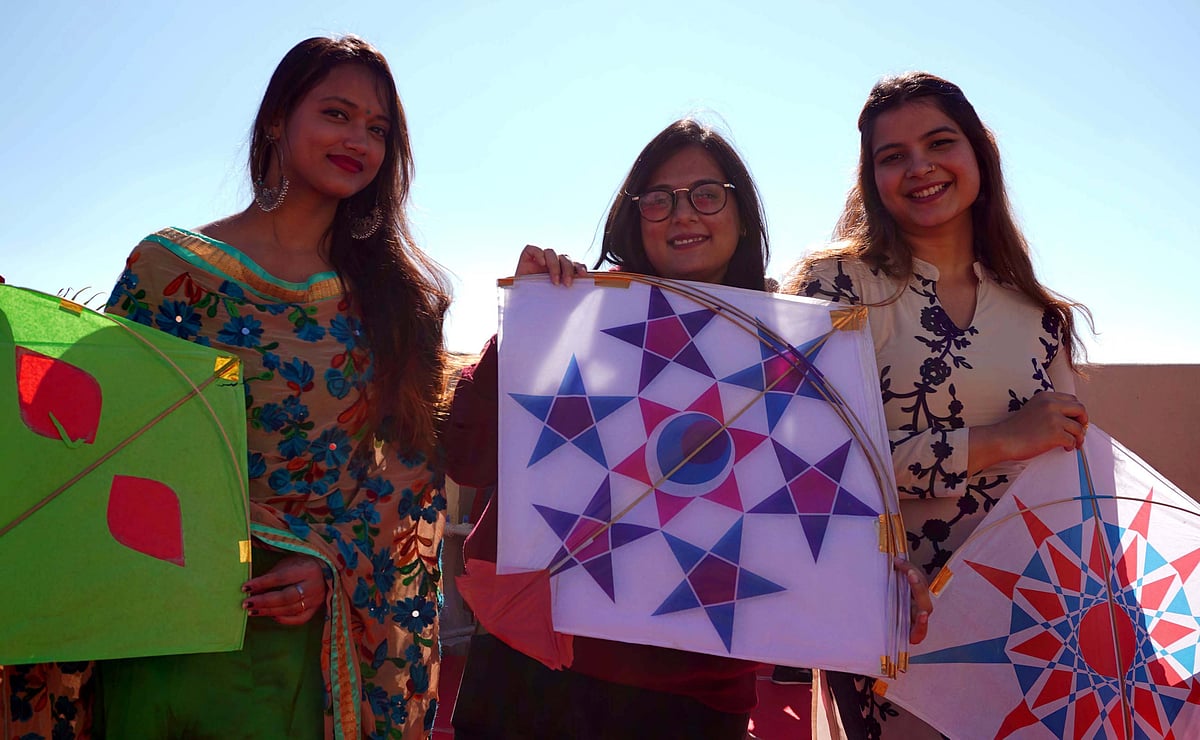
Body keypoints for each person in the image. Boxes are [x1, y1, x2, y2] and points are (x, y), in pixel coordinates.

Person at [444, 119, 932, 739]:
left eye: (707, 193)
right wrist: (526, 325)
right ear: (634, 216)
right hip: (536, 669)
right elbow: (465, 458)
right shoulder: (577, 315)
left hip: (693, 696)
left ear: (741, 211)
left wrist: (878, 582)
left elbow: (833, 499)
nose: (683, 215)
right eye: (659, 199)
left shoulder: (799, 350)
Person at [94, 35, 450, 739]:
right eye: (337, 114)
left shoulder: (393, 302)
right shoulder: (169, 271)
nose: (358, 140)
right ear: (276, 120)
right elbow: (107, 433)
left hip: (302, 641)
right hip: (162, 616)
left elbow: (406, 472)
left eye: (377, 130)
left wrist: (330, 567)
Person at [782, 72, 1090, 739]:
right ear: (872, 177)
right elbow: (808, 467)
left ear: (978, 152)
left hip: (1023, 622)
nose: (919, 167)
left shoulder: (1042, 317)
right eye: (892, 156)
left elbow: (1062, 483)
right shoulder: (836, 287)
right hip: (887, 616)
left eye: (939, 142)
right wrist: (1000, 440)